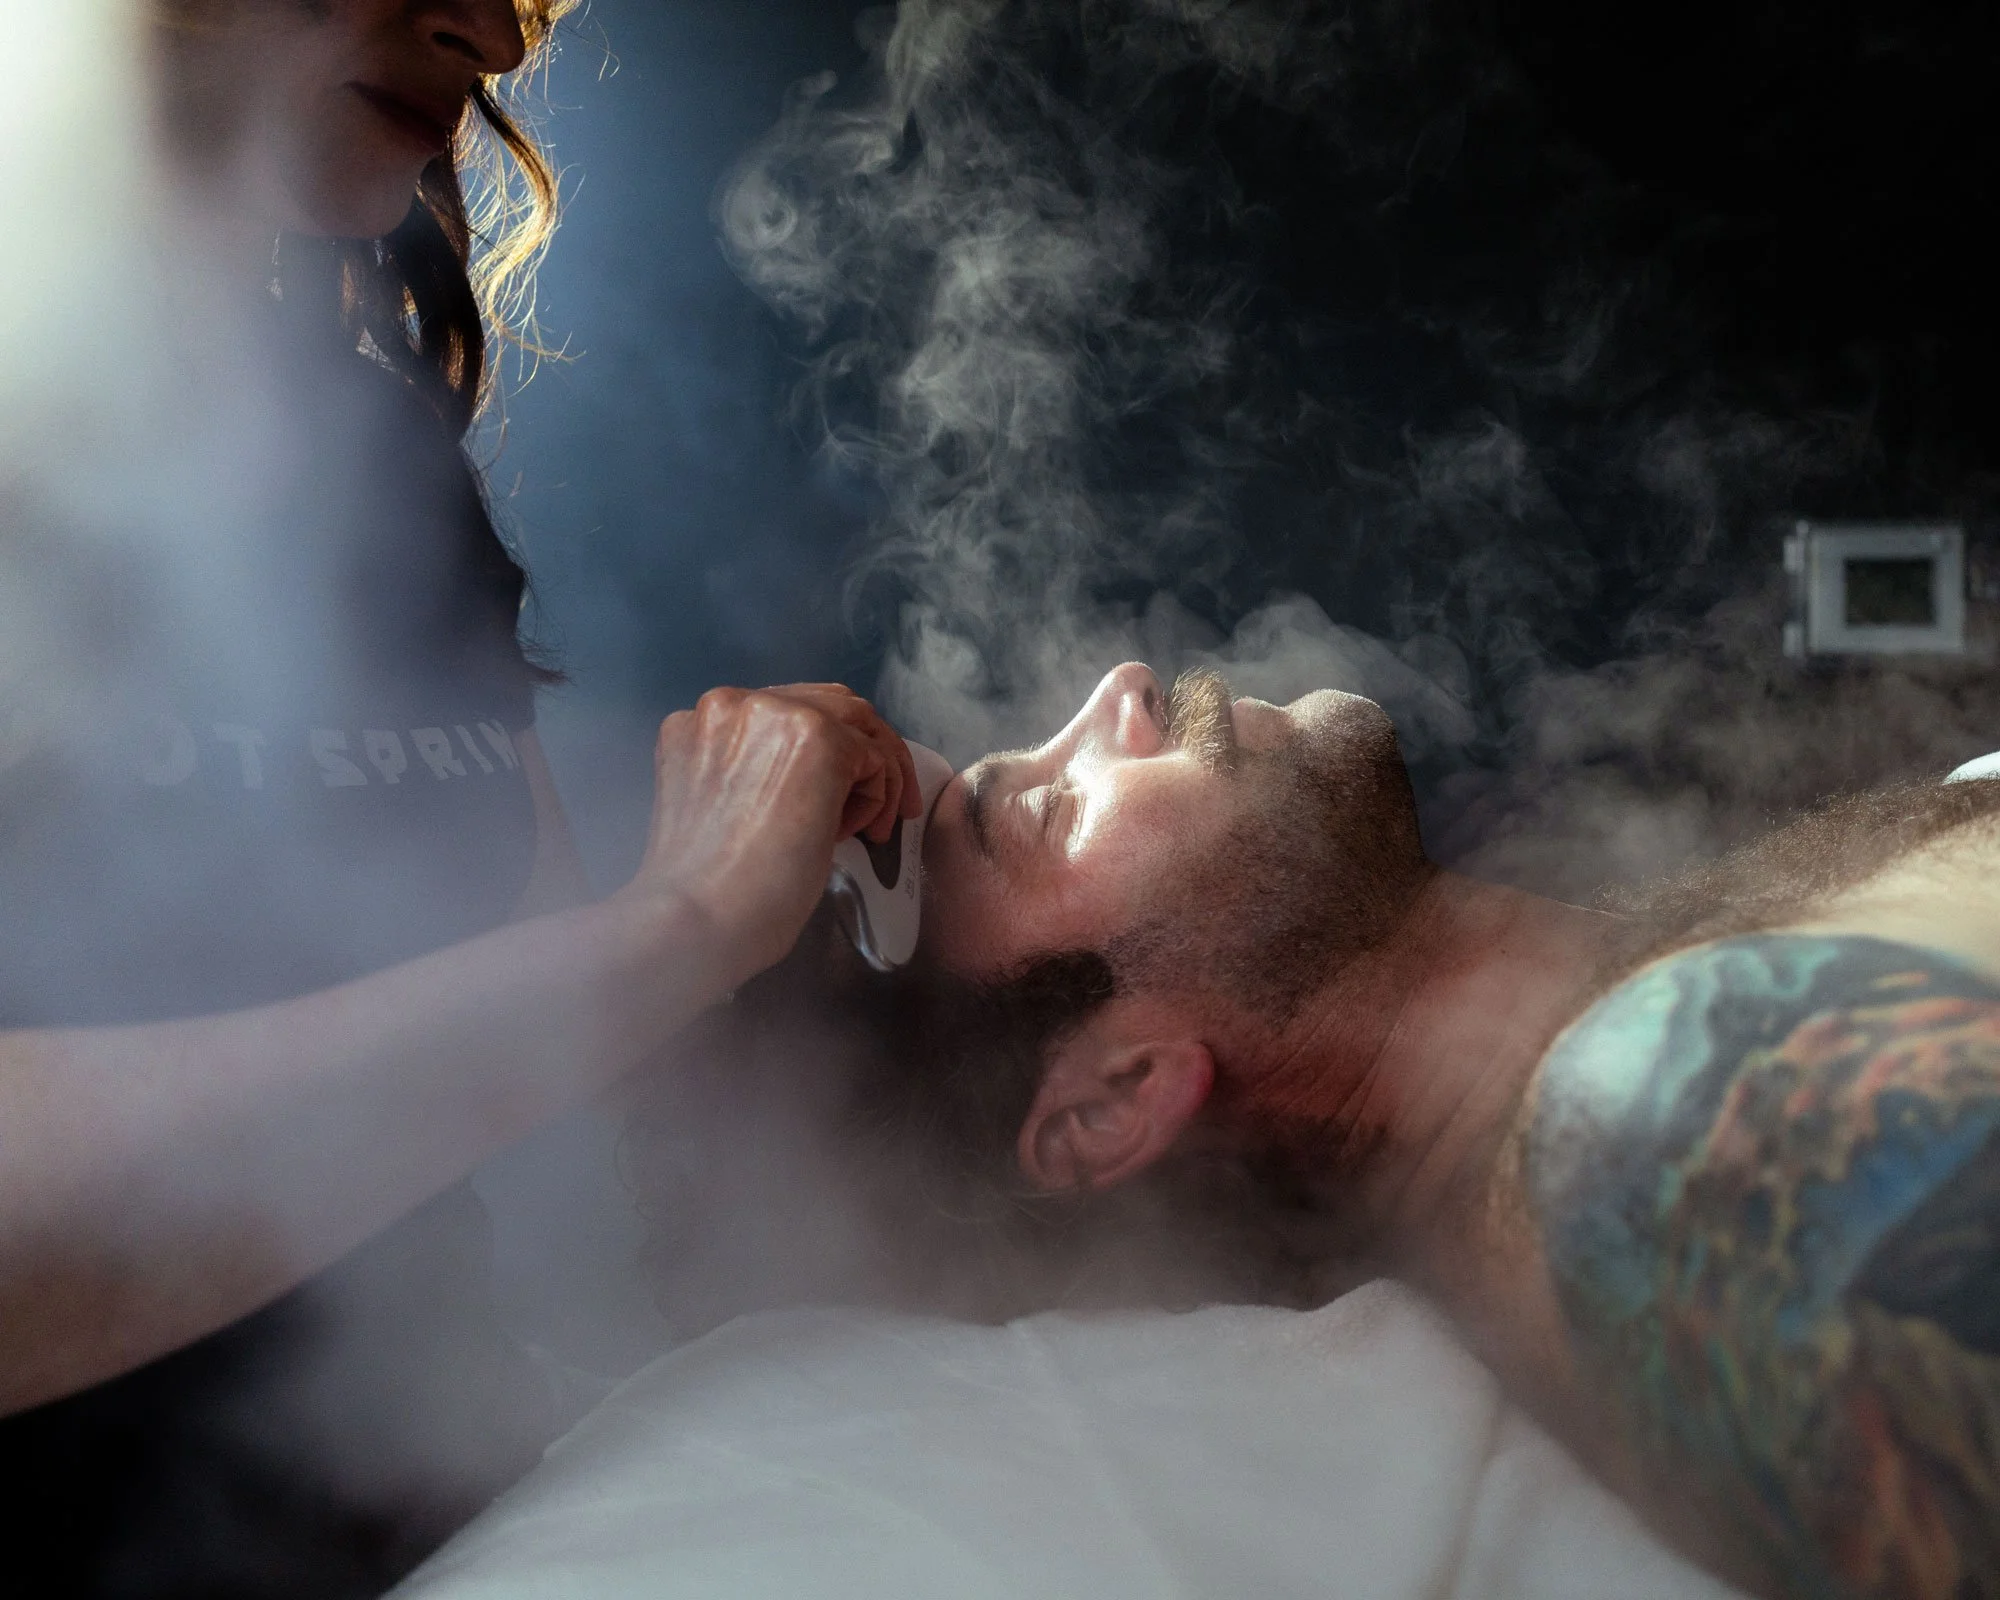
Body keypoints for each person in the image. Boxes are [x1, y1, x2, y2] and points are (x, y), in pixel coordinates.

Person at [0, 2, 920, 1592]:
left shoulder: (377, 430)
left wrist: (837, 951)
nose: (492, 35)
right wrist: (686, 921)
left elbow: (546, 1070)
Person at [892, 660, 2000, 1600]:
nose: (1121, 687)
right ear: (1113, 1100)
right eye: (1041, 811)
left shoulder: (1669, 1020)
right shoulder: (1668, 1132)